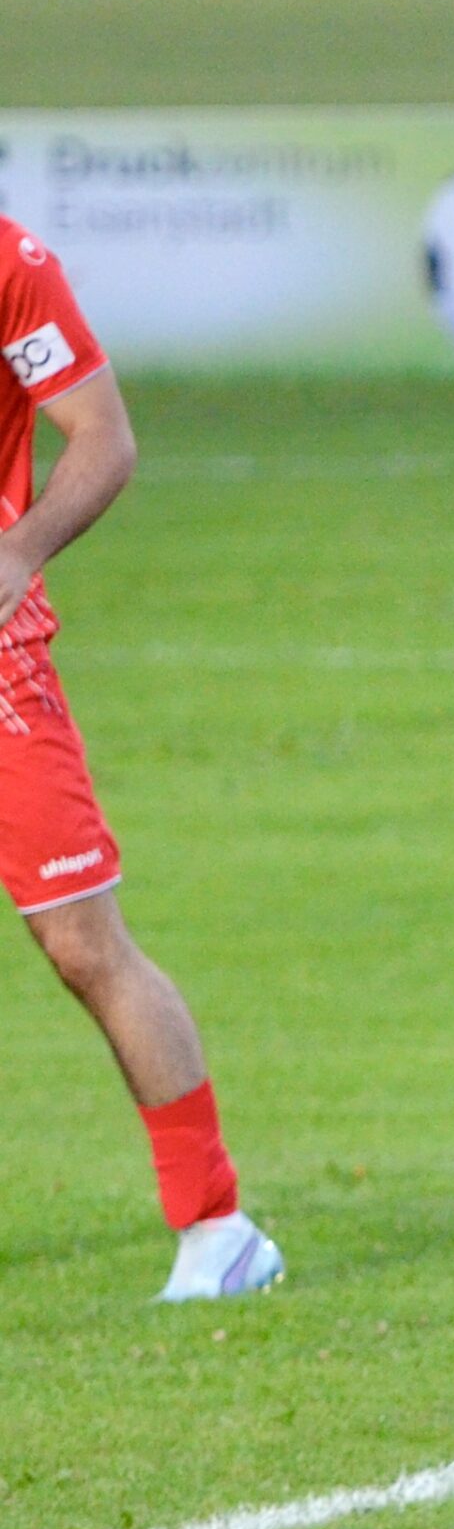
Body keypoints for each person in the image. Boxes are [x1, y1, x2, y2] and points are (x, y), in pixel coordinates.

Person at [0, 220, 282, 1300]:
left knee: (83, 943)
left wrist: (20, 553)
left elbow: (102, 437)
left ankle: (218, 1227)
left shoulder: (11, 266)